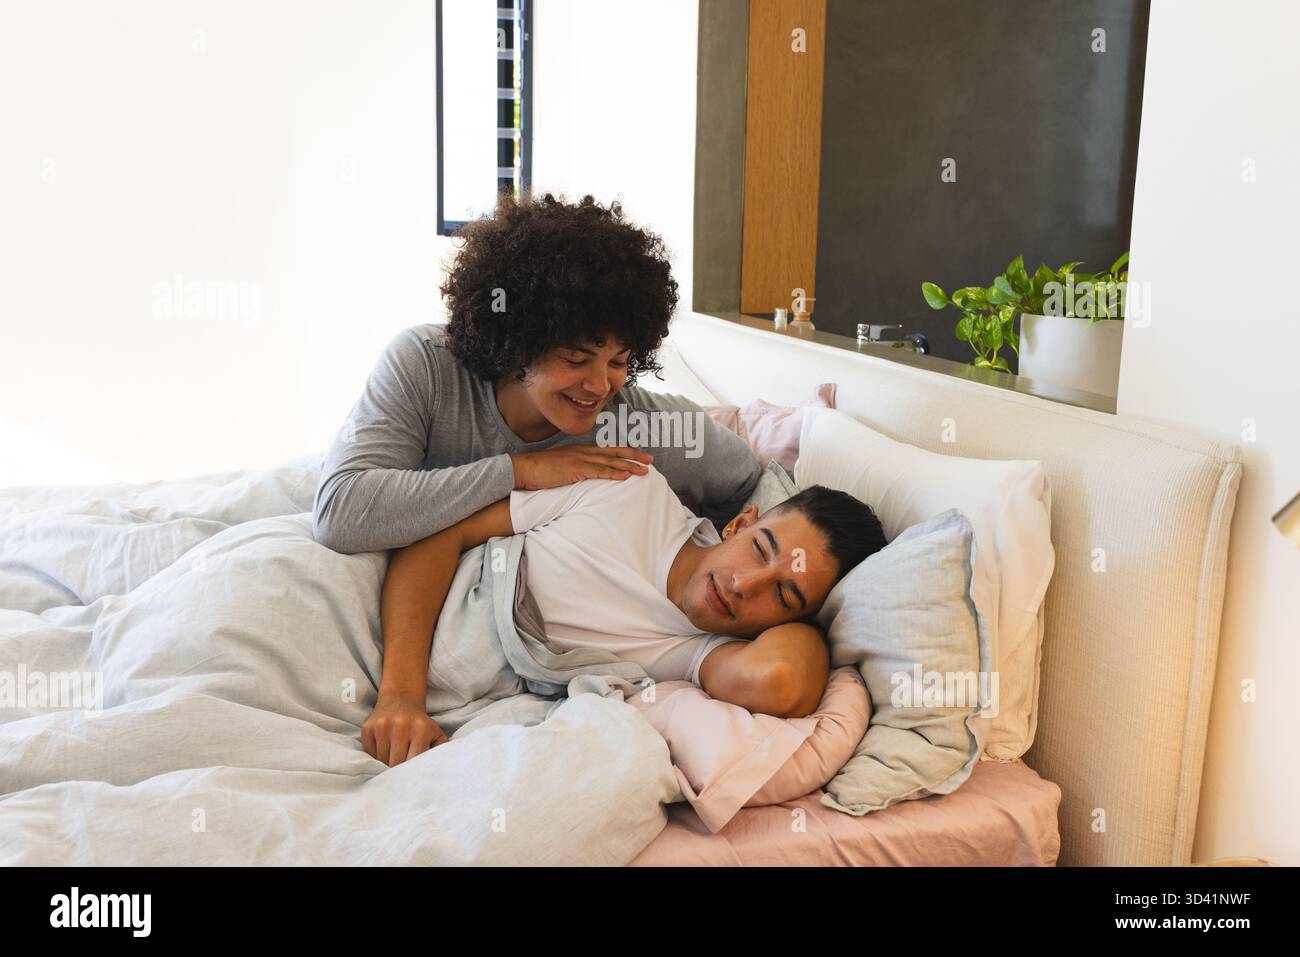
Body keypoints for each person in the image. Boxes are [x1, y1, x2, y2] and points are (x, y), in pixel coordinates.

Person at [312, 190, 763, 556]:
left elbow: (755, 481)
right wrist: (521, 471)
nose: (600, 386)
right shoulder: (424, 365)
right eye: (575, 359)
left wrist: (711, 555)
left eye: (619, 361)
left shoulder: (634, 425)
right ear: (517, 343)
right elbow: (341, 514)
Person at [363, 462, 887, 767]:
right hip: (382, 600)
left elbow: (780, 681)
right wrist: (401, 697)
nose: (744, 585)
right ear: (740, 523)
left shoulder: (704, 654)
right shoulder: (628, 489)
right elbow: (440, 531)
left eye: (784, 595)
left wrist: (810, 626)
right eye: (760, 549)